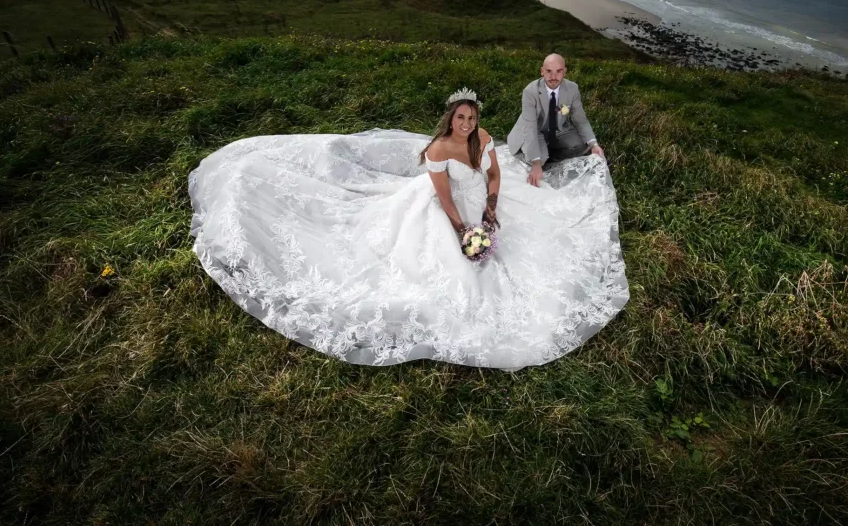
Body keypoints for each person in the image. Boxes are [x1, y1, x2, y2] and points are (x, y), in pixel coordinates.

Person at [188, 88, 628, 370]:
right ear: (450, 119)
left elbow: (494, 174)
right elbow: (443, 196)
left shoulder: (484, 137)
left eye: (472, 119)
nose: (468, 125)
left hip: (483, 202)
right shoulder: (438, 149)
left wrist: (492, 208)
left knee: (545, 238)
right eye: (461, 119)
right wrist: (462, 231)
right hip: (447, 209)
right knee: (439, 271)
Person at [506, 53, 606, 187]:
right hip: (535, 130)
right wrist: (536, 163)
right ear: (542, 71)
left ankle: (550, 157)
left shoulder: (572, 88)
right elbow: (529, 128)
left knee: (581, 144)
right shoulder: (530, 91)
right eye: (549, 71)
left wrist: (594, 145)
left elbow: (580, 120)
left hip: (558, 129)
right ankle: (538, 157)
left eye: (558, 71)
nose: (553, 77)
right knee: (539, 159)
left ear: (564, 71)